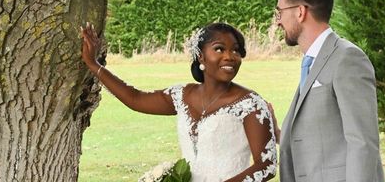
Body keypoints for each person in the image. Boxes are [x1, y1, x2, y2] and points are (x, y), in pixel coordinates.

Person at [80, 21, 277, 182]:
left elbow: (266, 166)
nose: (230, 57)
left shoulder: (251, 104)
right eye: (219, 49)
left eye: (236, 51)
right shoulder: (182, 95)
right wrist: (93, 64)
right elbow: (135, 98)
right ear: (201, 55)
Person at [273, 0, 385, 182]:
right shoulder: (312, 61)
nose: (278, 21)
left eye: (280, 12)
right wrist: (281, 132)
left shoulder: (347, 58)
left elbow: (362, 142)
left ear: (300, 12)